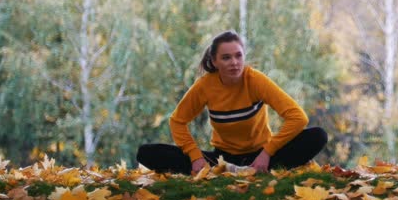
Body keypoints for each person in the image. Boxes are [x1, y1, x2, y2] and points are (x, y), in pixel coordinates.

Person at [136, 30, 328, 174]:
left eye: (238, 56)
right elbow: (177, 121)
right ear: (214, 61)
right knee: (146, 153)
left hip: (262, 155)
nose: (234, 62)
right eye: (226, 58)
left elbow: (298, 118)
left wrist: (267, 153)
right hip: (222, 159)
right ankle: (226, 170)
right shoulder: (205, 86)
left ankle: (257, 168)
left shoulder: (255, 80)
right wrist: (195, 157)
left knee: (318, 135)